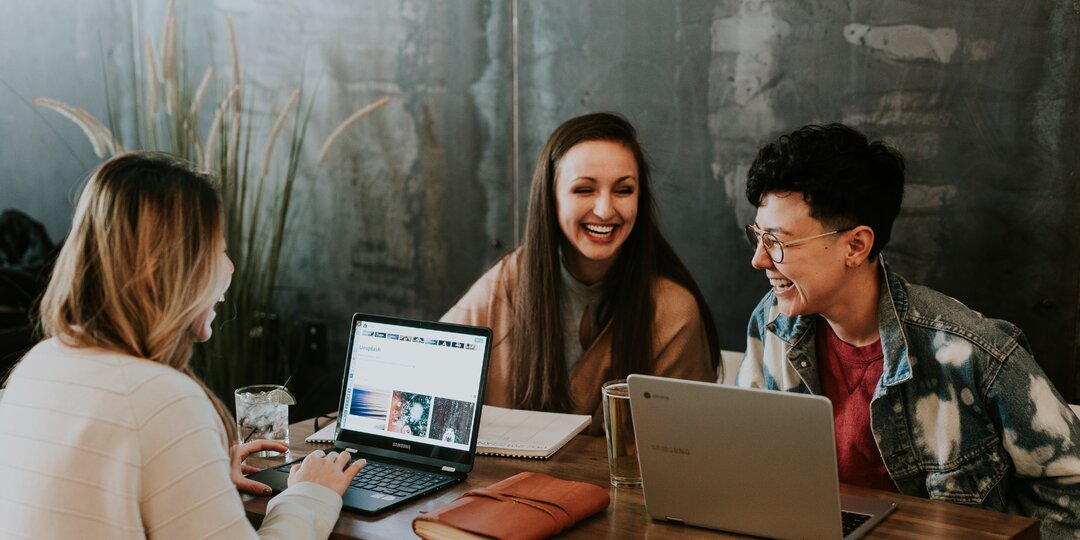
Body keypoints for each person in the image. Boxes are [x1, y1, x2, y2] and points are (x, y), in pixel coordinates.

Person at [737, 123, 1080, 536]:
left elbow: (1070, 492)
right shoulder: (772, 323)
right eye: (757, 235)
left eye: (777, 242)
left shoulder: (972, 353)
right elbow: (747, 466)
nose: (759, 259)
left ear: (856, 246)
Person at [0, 152, 365, 539]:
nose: (230, 269)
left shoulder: (37, 366)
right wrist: (309, 495)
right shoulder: (161, 399)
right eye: (218, 251)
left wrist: (195, 474)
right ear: (163, 270)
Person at [443, 112, 719, 431]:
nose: (604, 210)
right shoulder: (508, 281)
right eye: (584, 190)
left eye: (624, 190)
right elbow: (427, 373)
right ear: (551, 198)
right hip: (503, 480)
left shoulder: (673, 312)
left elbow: (686, 448)